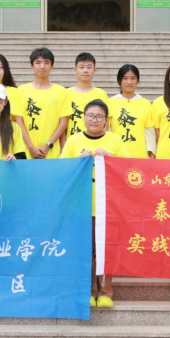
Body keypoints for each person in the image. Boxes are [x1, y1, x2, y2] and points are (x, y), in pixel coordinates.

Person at [61, 99, 130, 309]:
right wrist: (78, 160)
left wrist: (109, 156)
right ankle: (88, 291)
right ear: (83, 118)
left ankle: (105, 292)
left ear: (106, 120)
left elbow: (128, 169)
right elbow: (62, 170)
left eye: (99, 116)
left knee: (104, 250)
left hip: (107, 207)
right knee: (85, 250)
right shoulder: (73, 141)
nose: (94, 120)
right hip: (81, 206)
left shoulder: (115, 140)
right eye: (90, 116)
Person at [14, 47, 72, 159]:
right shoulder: (21, 91)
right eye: (38, 62)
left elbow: (63, 123)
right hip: (26, 153)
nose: (42, 66)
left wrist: (48, 145)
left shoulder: (61, 91)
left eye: (46, 63)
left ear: (52, 66)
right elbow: (19, 122)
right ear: (31, 66)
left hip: (52, 153)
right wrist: (31, 147)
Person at [108, 64, 156, 158]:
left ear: (137, 81)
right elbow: (107, 131)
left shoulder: (145, 103)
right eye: (125, 78)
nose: (129, 82)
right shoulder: (110, 102)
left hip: (139, 156)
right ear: (119, 80)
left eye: (133, 78)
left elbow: (149, 132)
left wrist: (151, 154)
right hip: (116, 155)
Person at [64, 52, 108, 140]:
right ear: (75, 70)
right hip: (72, 143)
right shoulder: (66, 93)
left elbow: (106, 123)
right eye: (81, 67)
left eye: (89, 67)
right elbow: (63, 123)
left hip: (95, 143)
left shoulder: (101, 94)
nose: (85, 70)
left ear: (94, 70)